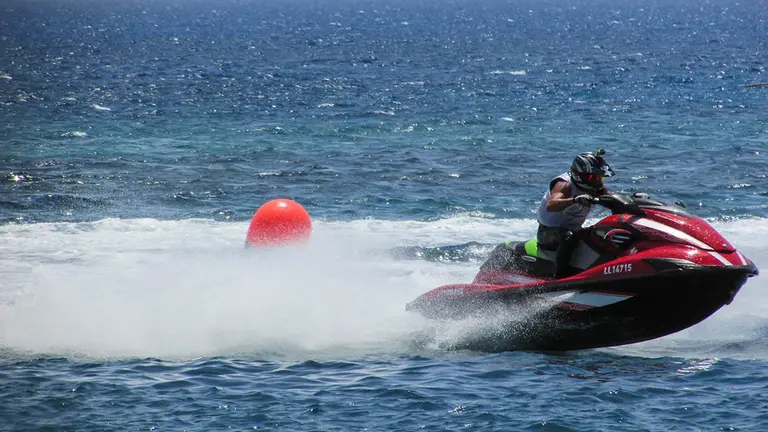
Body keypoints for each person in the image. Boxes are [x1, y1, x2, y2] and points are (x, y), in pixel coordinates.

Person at [536, 148, 615, 278]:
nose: (598, 181)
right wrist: (575, 199)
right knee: (568, 236)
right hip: (548, 232)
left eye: (600, 178)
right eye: (594, 177)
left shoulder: (595, 187)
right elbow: (551, 205)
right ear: (580, 175)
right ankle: (561, 277)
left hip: (574, 229)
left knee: (601, 233)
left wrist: (633, 201)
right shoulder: (564, 185)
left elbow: (612, 198)